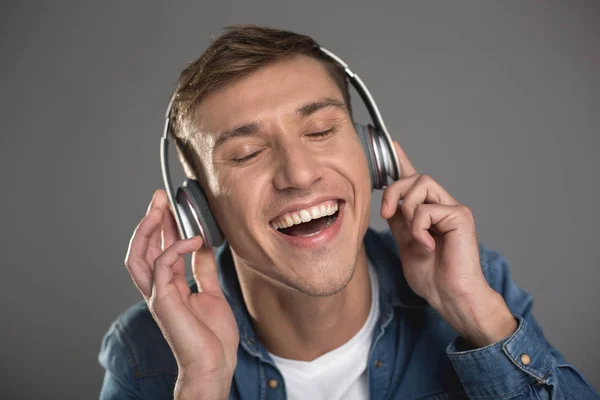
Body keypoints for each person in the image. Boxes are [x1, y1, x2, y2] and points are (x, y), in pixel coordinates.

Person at [98, 25, 599, 400]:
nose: (298, 173)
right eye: (248, 153)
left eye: (319, 131)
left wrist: (476, 312)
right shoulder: (146, 351)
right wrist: (202, 382)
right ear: (200, 209)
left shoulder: (475, 284)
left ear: (373, 154)